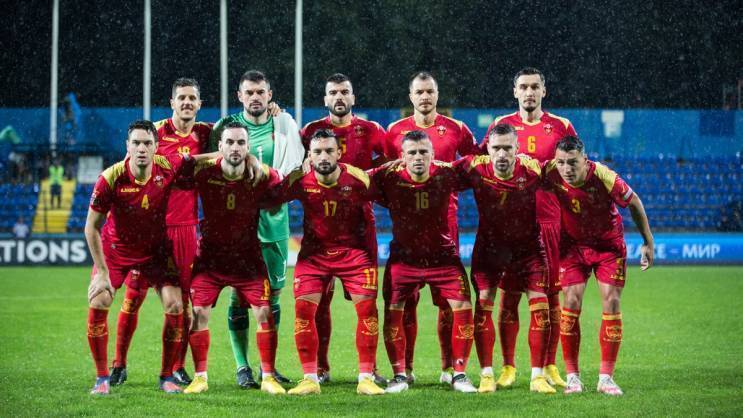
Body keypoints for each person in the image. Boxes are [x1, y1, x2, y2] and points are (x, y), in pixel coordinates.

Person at [109, 78, 212, 387]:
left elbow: (239, 131)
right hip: (151, 229)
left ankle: (176, 367)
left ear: (199, 104)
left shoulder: (206, 133)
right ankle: (118, 365)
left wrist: (274, 111)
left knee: (182, 303)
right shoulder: (154, 133)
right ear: (172, 103)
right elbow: (128, 171)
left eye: (192, 98)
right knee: (133, 297)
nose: (187, 103)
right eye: (182, 98)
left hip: (185, 229)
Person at [481, 67, 578, 389]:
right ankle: (508, 366)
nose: (529, 92)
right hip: (510, 226)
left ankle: (549, 365)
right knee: (509, 297)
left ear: (544, 91)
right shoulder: (501, 126)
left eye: (535, 86)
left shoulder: (561, 126)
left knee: (551, 297)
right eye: (523, 86)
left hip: (550, 222)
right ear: (515, 91)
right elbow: (484, 164)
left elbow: (573, 170)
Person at [268, 129, 384, 396]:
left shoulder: (358, 179)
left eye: (329, 151)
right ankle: (310, 379)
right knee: (303, 311)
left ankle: (366, 378)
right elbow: (269, 198)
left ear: (339, 153)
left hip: (354, 255)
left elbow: (391, 198)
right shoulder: (300, 179)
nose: (323, 156)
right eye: (317, 151)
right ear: (309, 155)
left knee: (368, 311)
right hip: (315, 256)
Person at [85, 120, 196, 395]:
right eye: (136, 143)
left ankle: (166, 376)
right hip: (117, 251)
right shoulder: (110, 178)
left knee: (175, 305)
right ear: (127, 146)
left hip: (155, 253)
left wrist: (238, 155)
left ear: (157, 147)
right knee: (100, 299)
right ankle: (102, 378)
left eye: (147, 143)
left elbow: (199, 162)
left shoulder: (167, 166)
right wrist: (101, 272)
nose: (142, 148)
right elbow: (91, 227)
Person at [384, 72, 479, 384]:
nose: (425, 97)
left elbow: (476, 162)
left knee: (448, 304)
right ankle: (406, 370)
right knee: (405, 303)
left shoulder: (456, 129)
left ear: (437, 95)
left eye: (430, 92)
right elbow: (387, 173)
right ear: (411, 96)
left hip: (445, 225)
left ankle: (449, 368)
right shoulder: (394, 131)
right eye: (419, 92)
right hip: (408, 227)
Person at [210, 70, 304, 387]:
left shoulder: (283, 124)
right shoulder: (227, 127)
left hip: (275, 222)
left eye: (260, 92)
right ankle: (242, 367)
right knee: (239, 295)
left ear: (269, 95)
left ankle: (268, 368)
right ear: (239, 96)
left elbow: (295, 168)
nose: (255, 97)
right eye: (249, 92)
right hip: (239, 227)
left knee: (273, 296)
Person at [544, 136, 654, 395]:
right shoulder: (549, 171)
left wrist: (647, 242)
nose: (566, 169)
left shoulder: (604, 176)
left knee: (611, 301)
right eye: (561, 162)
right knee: (571, 302)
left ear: (585, 160)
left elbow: (634, 202)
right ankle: (573, 377)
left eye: (572, 162)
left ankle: (606, 378)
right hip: (572, 248)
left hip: (608, 248)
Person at [183, 121, 285, 395]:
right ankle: (200, 377)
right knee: (199, 314)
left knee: (265, 312)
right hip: (210, 260)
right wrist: (209, 157)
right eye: (229, 142)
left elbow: (284, 185)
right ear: (220, 146)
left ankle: (268, 377)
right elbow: (180, 165)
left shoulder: (259, 174)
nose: (235, 148)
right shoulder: (205, 172)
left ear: (248, 147)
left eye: (241, 143)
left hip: (248, 260)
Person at [371, 130, 476, 394]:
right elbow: (354, 178)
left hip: (443, 257)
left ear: (432, 154)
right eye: (412, 153)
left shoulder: (446, 173)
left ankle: (459, 373)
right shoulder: (389, 176)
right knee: (393, 310)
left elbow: (477, 165)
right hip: (404, 259)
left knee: (463, 306)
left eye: (423, 152)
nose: (418, 157)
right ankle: (399, 375)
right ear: (402, 156)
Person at [300, 73, 387, 384]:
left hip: (360, 229)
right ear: (325, 99)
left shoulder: (371, 130)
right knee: (318, 302)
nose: (339, 97)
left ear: (353, 97)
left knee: (366, 302)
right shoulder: (310, 131)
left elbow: (388, 166)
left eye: (344, 92)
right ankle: (321, 368)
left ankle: (370, 369)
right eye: (333, 92)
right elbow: (296, 165)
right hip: (320, 229)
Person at [458, 124, 556, 394]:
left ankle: (537, 376)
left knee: (541, 307)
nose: (501, 154)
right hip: (489, 251)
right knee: (484, 304)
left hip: (529, 251)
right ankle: (487, 374)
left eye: (507, 148)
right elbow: (437, 176)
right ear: (488, 149)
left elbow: (567, 177)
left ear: (517, 149)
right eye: (496, 148)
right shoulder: (474, 167)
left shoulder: (533, 170)